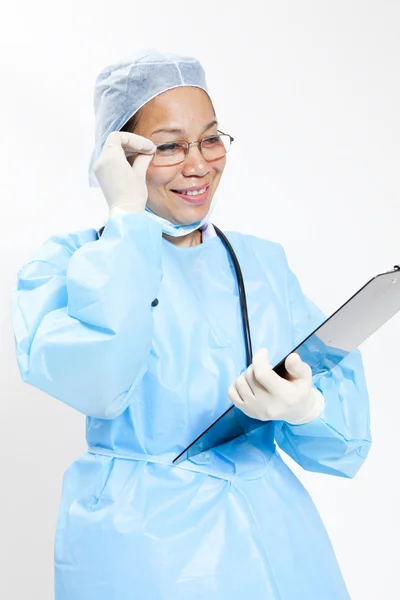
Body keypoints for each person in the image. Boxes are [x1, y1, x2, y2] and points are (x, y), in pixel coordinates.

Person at [11, 50, 371, 600]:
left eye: (210, 139)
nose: (199, 164)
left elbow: (342, 447)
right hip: (145, 548)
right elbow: (102, 385)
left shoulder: (261, 263)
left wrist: (308, 409)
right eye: (170, 146)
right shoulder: (69, 263)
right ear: (119, 156)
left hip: (276, 537)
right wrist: (127, 222)